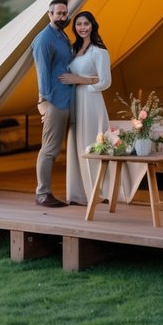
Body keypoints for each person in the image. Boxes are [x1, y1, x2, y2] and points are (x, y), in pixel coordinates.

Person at [59, 11, 112, 205]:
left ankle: (97, 191)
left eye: (86, 24)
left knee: (91, 144)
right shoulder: (73, 50)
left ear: (93, 25)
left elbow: (105, 81)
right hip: (75, 100)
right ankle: (78, 194)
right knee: (76, 144)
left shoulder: (99, 51)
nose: (82, 27)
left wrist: (80, 80)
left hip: (91, 102)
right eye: (79, 24)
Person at [30, 0, 73, 207]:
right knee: (49, 149)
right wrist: (45, 102)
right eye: (58, 13)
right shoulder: (44, 39)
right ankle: (42, 193)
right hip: (54, 100)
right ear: (50, 14)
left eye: (65, 13)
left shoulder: (62, 35)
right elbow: (42, 72)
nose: (63, 17)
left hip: (66, 98)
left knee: (58, 149)